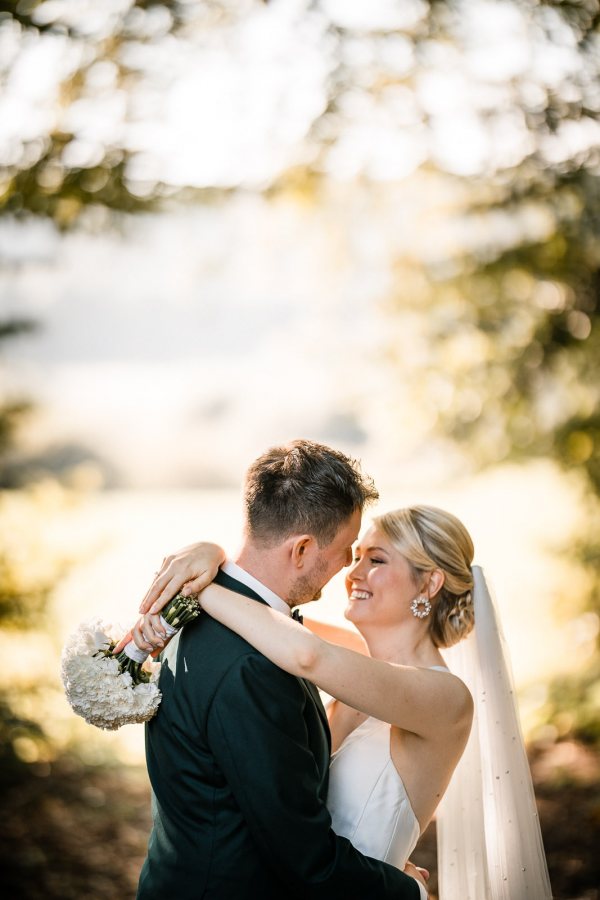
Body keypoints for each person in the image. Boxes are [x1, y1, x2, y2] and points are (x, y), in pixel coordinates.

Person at [133, 504, 553, 899]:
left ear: (430, 582)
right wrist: (211, 553)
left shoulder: (445, 697)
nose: (353, 573)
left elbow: (305, 653)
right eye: (356, 557)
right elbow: (265, 607)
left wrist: (196, 587)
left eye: (377, 560)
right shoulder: (355, 659)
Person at [126, 440, 428, 900]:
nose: (348, 567)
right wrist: (407, 892)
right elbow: (303, 858)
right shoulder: (251, 667)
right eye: (346, 549)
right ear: (302, 549)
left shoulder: (212, 609)